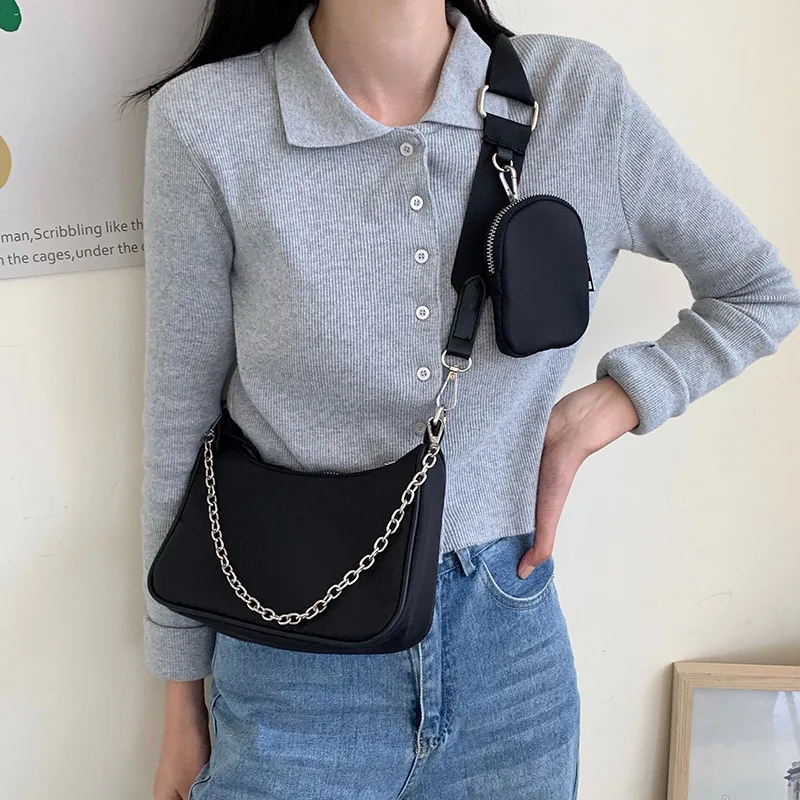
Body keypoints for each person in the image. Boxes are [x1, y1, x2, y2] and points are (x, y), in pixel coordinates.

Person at [128, 1, 800, 798]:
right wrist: (181, 704)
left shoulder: (574, 94)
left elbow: (761, 293)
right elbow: (181, 425)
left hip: (511, 657)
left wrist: (601, 412)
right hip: (291, 666)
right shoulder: (208, 122)